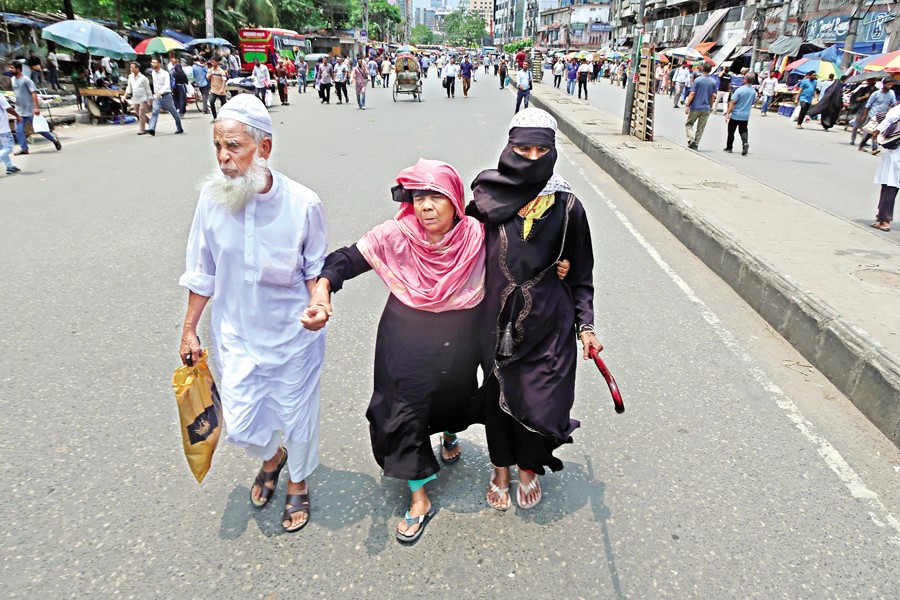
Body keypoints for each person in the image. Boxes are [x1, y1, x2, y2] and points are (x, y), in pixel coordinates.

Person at [302, 159, 485, 544]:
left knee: (453, 400)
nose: (426, 206)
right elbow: (345, 260)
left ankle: (449, 433)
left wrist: (563, 268)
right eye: (419, 198)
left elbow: (521, 258)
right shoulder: (397, 234)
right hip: (405, 339)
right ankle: (419, 497)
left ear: (456, 200)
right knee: (403, 412)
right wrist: (322, 290)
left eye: (436, 196)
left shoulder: (476, 236)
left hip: (458, 342)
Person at [179, 94, 327, 533]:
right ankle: (271, 456)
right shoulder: (211, 200)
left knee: (296, 415)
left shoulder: (303, 204)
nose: (224, 158)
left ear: (263, 148)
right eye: (218, 147)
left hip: (293, 336)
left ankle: (297, 481)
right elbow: (201, 269)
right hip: (236, 335)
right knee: (242, 423)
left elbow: (315, 270)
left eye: (234, 147)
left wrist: (319, 305)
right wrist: (189, 330)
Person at [469, 108, 601, 511]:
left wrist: (586, 326)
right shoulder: (486, 200)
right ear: (509, 147)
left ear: (553, 152)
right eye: (523, 149)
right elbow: (458, 252)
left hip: (549, 324)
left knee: (541, 398)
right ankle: (500, 467)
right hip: (492, 321)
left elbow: (581, 273)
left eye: (541, 151)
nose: (531, 158)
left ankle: (528, 467)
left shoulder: (568, 207)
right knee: (496, 395)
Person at [10, 61, 61, 155]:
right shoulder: (13, 79)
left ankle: (53, 139)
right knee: (19, 130)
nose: (10, 70)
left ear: (18, 69)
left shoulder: (26, 80)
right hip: (19, 110)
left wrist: (36, 108)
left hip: (30, 110)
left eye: (12, 68)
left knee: (39, 129)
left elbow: (34, 93)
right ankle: (24, 149)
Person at [871, 103, 900, 231]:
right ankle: (881, 215)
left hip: (896, 153)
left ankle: (884, 220)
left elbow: (890, 118)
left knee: (890, 184)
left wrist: (877, 131)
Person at [682, 63, 717, 150]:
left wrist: (687, 105)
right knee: (701, 127)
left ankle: (690, 139)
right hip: (706, 108)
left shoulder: (697, 80)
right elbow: (713, 96)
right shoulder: (713, 82)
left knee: (689, 124)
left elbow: (692, 93)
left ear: (702, 69)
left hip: (695, 107)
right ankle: (696, 143)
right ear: (710, 70)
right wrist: (711, 106)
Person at [146, 57, 184, 137]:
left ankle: (179, 128)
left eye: (154, 62)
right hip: (157, 97)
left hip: (166, 96)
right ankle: (151, 129)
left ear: (159, 64)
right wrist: (155, 94)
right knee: (155, 112)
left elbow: (167, 86)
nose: (152, 64)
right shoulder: (153, 73)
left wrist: (160, 92)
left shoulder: (165, 73)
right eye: (152, 62)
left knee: (174, 112)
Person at [858, 78, 896, 154]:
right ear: (884, 84)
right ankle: (874, 149)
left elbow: (893, 103)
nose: (890, 86)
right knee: (874, 132)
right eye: (888, 84)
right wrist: (864, 116)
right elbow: (868, 105)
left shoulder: (891, 93)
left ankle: (861, 145)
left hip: (883, 116)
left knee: (872, 132)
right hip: (873, 115)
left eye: (891, 85)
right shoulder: (876, 93)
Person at [724, 73, 757, 156]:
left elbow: (733, 102)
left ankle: (729, 147)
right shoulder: (753, 91)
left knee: (731, 131)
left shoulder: (740, 90)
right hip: (745, 115)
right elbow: (753, 102)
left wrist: (727, 113)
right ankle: (745, 142)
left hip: (736, 114)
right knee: (743, 130)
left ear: (745, 79)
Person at [124, 62, 152, 135]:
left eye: (132, 68)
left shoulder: (143, 78)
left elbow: (148, 90)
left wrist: (150, 99)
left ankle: (142, 130)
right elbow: (129, 87)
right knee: (138, 113)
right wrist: (124, 96)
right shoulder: (130, 77)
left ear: (137, 68)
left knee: (141, 114)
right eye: (130, 68)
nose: (131, 69)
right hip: (135, 99)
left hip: (143, 98)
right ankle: (151, 123)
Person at [849, 79, 876, 145]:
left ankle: (863, 141)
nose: (872, 81)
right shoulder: (863, 89)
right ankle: (853, 140)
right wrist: (864, 96)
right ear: (868, 81)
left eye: (874, 80)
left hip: (871, 110)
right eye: (871, 80)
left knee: (866, 126)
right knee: (856, 125)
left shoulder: (876, 91)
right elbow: (857, 99)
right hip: (861, 109)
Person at [1, 92, 22, 174]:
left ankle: (10, 166)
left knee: (2, 148)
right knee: (8, 147)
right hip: (2, 128)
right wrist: (17, 116)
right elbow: (8, 108)